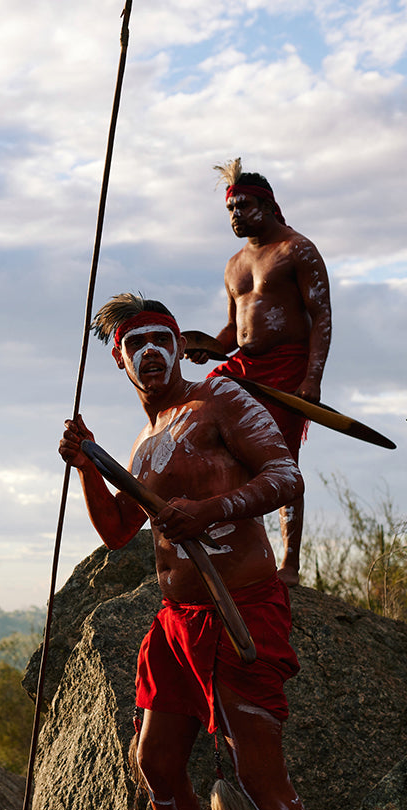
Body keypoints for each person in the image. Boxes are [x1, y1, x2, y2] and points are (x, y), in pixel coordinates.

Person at [60, 292, 318, 810]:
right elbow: (121, 531)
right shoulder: (146, 442)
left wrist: (209, 510)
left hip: (241, 613)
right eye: (134, 345)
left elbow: (285, 476)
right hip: (177, 622)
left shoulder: (218, 400)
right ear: (122, 363)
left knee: (259, 775)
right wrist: (85, 467)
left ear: (180, 347)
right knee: (155, 763)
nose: (149, 352)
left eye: (160, 340)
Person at [188, 158, 332, 587]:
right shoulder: (234, 264)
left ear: (269, 207)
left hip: (288, 365)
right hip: (245, 367)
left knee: (282, 461)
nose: (236, 215)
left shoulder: (297, 250)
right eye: (231, 209)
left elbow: (321, 317)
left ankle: (289, 563)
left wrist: (312, 379)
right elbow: (234, 331)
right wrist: (209, 348)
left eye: (245, 206)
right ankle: (225, 541)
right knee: (199, 411)